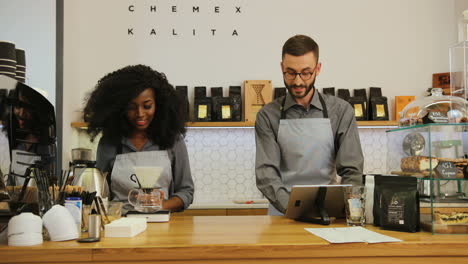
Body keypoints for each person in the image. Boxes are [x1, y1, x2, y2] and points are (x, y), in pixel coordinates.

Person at [255, 35, 364, 215]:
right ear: (282, 67)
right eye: (290, 73)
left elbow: (352, 170)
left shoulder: (341, 111)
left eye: (306, 73)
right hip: (284, 214)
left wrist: (348, 209)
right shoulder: (267, 116)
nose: (298, 81)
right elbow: (266, 175)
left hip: (329, 212)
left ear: (318, 68)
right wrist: (293, 209)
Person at [84, 64, 194, 213]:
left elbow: (186, 192)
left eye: (147, 106)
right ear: (120, 108)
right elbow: (101, 193)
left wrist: (160, 205)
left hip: (161, 225)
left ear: (158, 105)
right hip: (121, 226)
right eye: (131, 107)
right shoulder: (109, 143)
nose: (140, 113)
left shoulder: (172, 141)